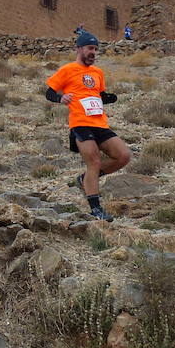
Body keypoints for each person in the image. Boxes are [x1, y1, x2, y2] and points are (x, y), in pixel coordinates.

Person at [45, 31, 131, 221]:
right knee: (94, 161)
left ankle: (86, 180)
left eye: (96, 49)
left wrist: (106, 98)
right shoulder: (67, 70)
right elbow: (49, 92)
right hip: (80, 123)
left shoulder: (97, 72)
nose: (94, 52)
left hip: (100, 123)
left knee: (123, 156)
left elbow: (96, 95)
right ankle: (96, 208)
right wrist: (61, 97)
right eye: (90, 48)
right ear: (79, 49)